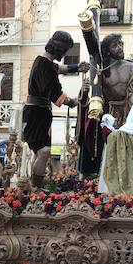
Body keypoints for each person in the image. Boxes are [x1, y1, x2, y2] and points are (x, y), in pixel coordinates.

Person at [22, 31, 83, 188]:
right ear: (58, 49)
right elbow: (54, 93)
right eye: (64, 51)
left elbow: (59, 68)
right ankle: (36, 187)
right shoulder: (44, 66)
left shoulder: (43, 62)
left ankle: (35, 184)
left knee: (39, 152)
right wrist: (73, 102)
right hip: (36, 113)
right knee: (43, 151)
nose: (64, 55)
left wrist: (77, 67)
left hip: (41, 112)